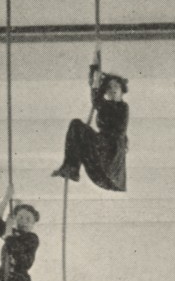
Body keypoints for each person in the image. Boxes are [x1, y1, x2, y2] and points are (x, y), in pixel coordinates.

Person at [51, 51, 128, 192]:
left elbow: (97, 101)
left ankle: (71, 167)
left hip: (109, 152)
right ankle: (71, 168)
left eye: (115, 87)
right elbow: (97, 99)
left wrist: (95, 78)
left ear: (122, 90)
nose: (112, 90)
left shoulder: (122, 108)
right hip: (101, 151)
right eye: (109, 88)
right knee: (77, 128)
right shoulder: (106, 105)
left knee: (77, 126)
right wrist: (94, 76)